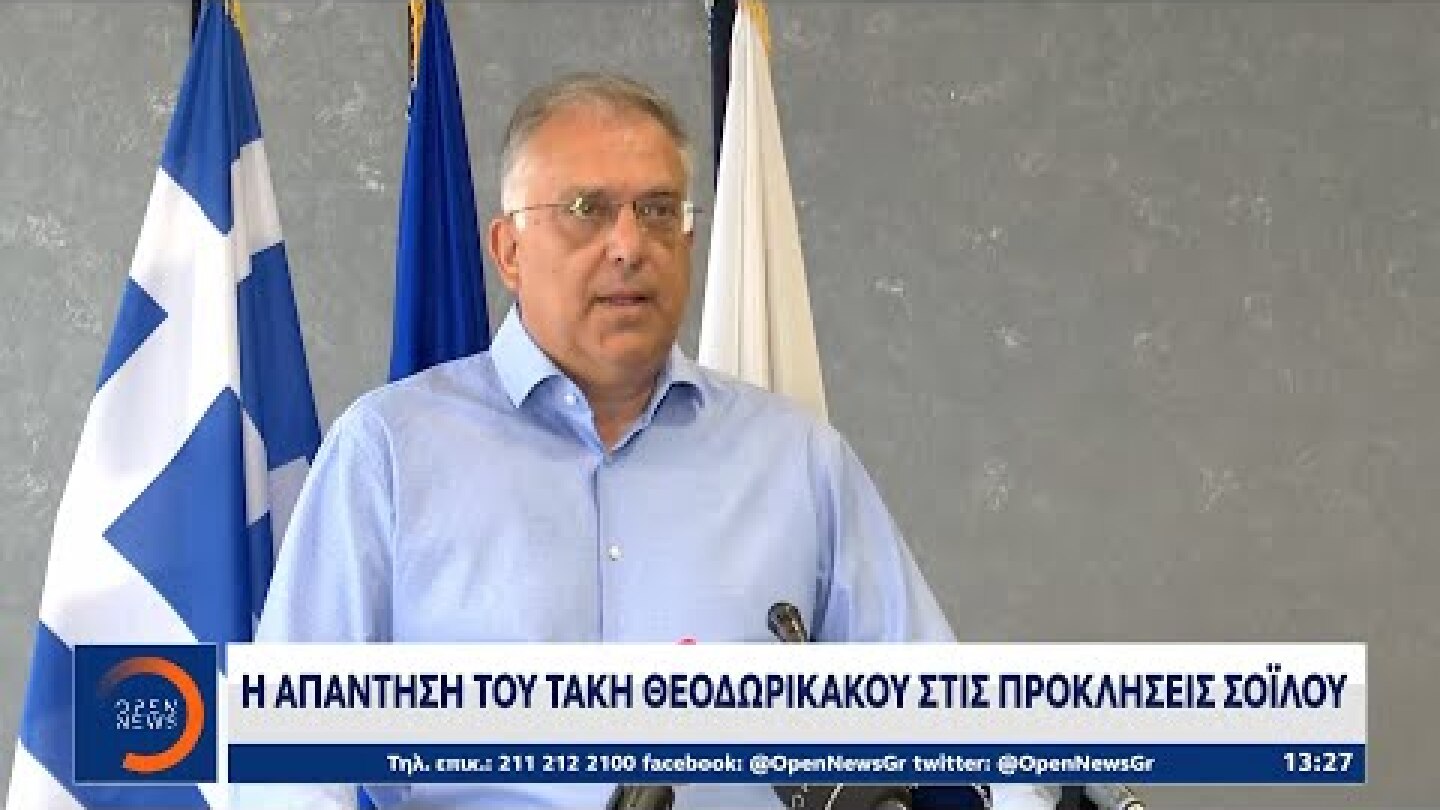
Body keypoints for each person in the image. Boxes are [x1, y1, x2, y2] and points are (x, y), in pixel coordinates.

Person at [238, 72, 1055, 810]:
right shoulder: (388, 455)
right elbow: (286, 769)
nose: (629, 245)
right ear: (509, 251)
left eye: (659, 211)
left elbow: (956, 720)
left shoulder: (795, 460)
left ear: (688, 241)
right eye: (586, 211)